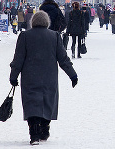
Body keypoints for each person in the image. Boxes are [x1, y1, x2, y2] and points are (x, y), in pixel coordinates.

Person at [9, 11, 78, 145]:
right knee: (47, 102)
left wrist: (13, 76)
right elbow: (63, 59)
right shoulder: (55, 36)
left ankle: (34, 133)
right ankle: (44, 130)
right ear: (47, 22)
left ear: (33, 22)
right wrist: (73, 75)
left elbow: (18, 59)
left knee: (32, 103)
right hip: (49, 77)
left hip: (30, 77)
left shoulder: (25, 36)